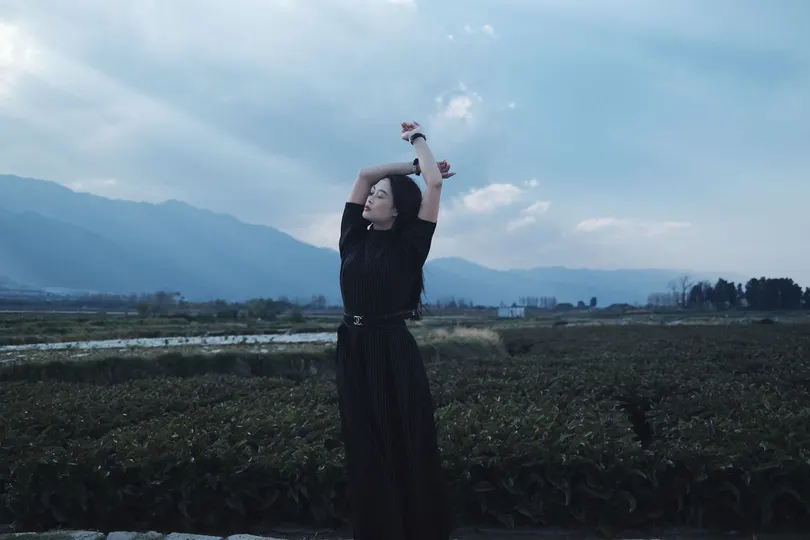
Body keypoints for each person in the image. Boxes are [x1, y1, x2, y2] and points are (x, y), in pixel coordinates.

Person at [335, 121, 456, 540]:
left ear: (398, 210)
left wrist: (417, 139)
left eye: (380, 196)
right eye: (372, 194)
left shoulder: (411, 246)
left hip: (390, 348)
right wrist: (411, 167)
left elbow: (435, 185)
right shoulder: (353, 236)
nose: (370, 197)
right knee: (363, 443)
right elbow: (364, 174)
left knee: (402, 438)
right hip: (352, 347)